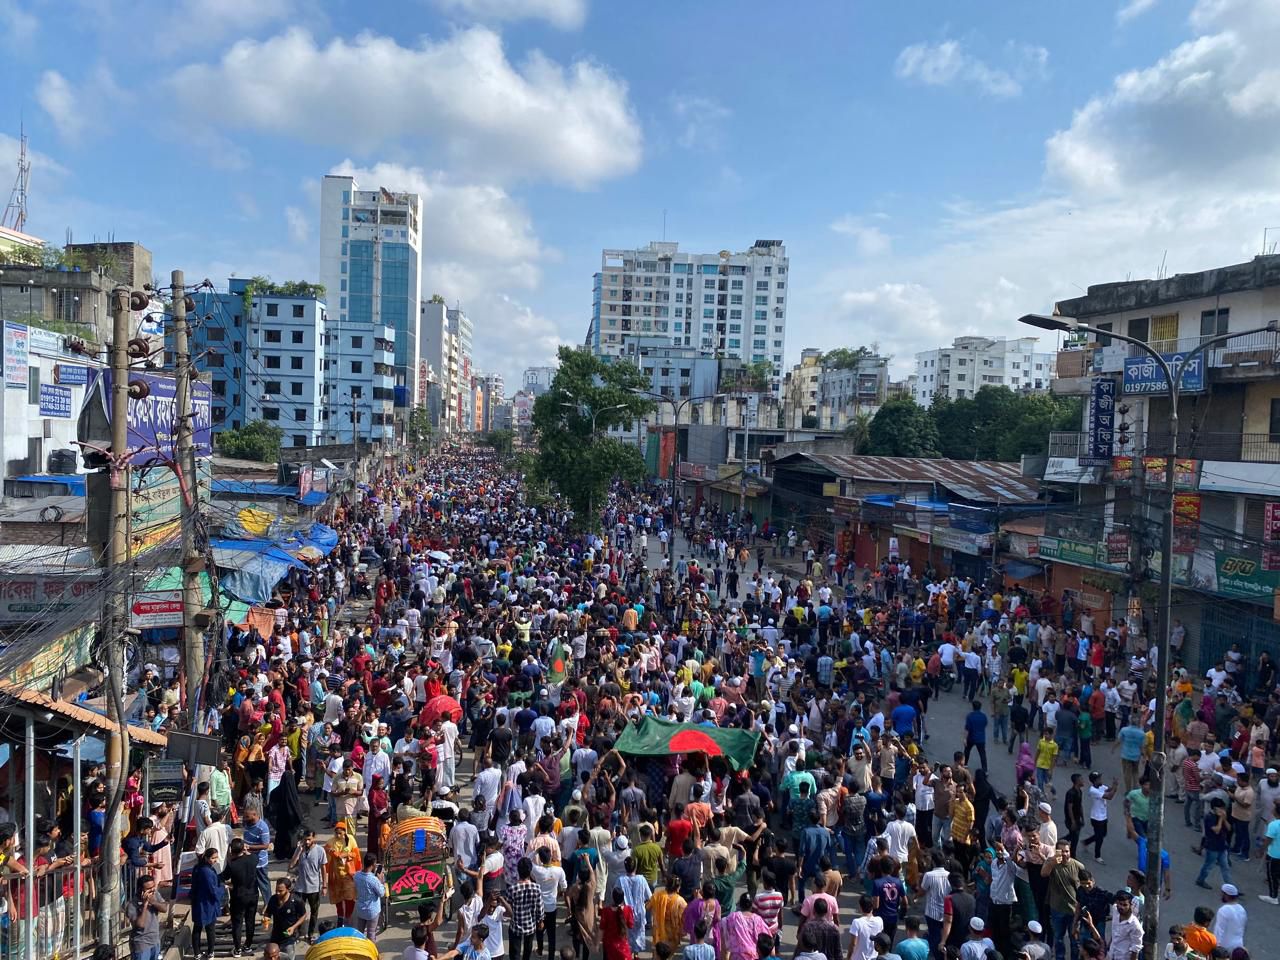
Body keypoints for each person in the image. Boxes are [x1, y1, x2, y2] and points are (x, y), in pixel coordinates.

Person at [1041, 839, 1083, 960]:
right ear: (1056, 851)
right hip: (1057, 909)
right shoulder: (1052, 862)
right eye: (1061, 851)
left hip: (1074, 911)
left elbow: (1087, 884)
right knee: (1058, 939)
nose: (1064, 854)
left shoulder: (1078, 866)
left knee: (1074, 940)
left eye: (1066, 851)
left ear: (1070, 851)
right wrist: (1052, 862)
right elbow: (1044, 874)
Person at [221, 837, 260, 957]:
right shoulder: (253, 859)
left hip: (238, 896)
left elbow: (224, 877)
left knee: (237, 923)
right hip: (253, 894)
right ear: (243, 848)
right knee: (250, 921)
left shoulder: (232, 864)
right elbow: (254, 857)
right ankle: (247, 946)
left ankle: (237, 948)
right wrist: (247, 851)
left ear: (232, 851)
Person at [288, 828, 328, 943]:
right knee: (298, 912)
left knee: (314, 912)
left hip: (314, 887)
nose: (307, 842)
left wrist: (324, 886)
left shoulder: (320, 851)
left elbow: (323, 869)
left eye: (309, 839)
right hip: (300, 887)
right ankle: (297, 933)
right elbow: (291, 865)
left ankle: (310, 934)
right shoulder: (299, 849)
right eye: (305, 840)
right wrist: (299, 851)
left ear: (314, 838)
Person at [325, 819, 363, 920]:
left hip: (348, 874)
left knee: (349, 897)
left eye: (340, 833)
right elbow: (326, 850)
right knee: (338, 897)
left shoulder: (351, 840)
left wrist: (347, 855)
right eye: (336, 833)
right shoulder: (331, 841)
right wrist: (331, 852)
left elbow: (356, 855)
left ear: (345, 832)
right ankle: (340, 916)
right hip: (336, 874)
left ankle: (348, 916)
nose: (338, 836)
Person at [189, 848, 221, 960]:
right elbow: (212, 889)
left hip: (198, 901)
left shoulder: (198, 868)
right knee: (210, 928)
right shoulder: (206, 871)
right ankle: (210, 952)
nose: (215, 860)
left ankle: (197, 953)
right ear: (207, 858)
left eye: (216, 858)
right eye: (213, 858)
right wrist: (221, 889)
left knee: (197, 928)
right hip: (207, 903)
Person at [263, 877, 308, 958]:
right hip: (275, 935)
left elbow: (304, 915)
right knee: (272, 956)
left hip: (289, 937)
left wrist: (294, 927)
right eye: (276, 890)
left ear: (288, 889)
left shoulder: (297, 901)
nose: (277, 893)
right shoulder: (273, 899)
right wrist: (266, 920)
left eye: (280, 891)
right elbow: (268, 913)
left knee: (288, 957)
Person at [1195, 798, 1234, 889]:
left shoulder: (1222, 816)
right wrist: (1220, 819)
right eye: (1221, 808)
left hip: (1222, 845)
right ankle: (1200, 880)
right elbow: (1216, 830)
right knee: (1208, 865)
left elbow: (1229, 828)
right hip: (1212, 846)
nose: (1223, 810)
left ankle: (1231, 887)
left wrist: (1224, 819)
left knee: (1225, 867)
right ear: (1215, 808)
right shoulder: (1209, 817)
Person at [126, 874, 166, 960]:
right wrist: (145, 905)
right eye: (148, 889)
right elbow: (140, 925)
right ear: (141, 890)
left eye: (153, 887)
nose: (152, 891)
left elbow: (164, 908)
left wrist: (154, 902)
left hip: (155, 940)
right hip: (141, 944)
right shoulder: (132, 904)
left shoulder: (155, 895)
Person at [353, 852, 387, 941]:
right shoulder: (373, 880)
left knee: (360, 932)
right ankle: (371, 953)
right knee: (371, 933)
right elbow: (381, 893)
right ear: (373, 864)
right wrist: (381, 881)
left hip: (360, 908)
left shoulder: (356, 875)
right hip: (372, 911)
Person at [1105, 889, 1141, 960]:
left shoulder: (1135, 925)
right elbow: (1115, 931)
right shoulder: (1115, 910)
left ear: (1130, 905)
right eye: (1120, 904)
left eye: (1125, 905)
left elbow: (1135, 949)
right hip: (1111, 954)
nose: (1122, 907)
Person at [1212, 883, 1247, 952]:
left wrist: (1215, 946)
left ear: (1226, 895)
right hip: (1239, 945)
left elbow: (1219, 930)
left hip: (1225, 946)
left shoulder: (1224, 910)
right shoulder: (1242, 909)